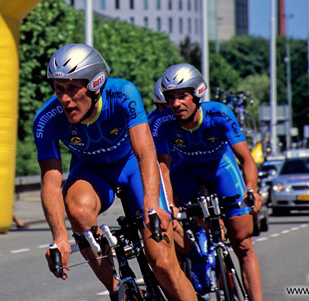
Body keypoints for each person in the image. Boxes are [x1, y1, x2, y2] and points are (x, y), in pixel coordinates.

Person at [34, 44, 196, 300]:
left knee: (164, 265)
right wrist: (59, 237)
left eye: (73, 88)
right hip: (92, 171)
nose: (64, 98)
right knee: (76, 208)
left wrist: (152, 205)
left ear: (96, 84)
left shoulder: (123, 94)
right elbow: (51, 182)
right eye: (58, 88)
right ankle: (118, 289)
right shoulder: (47, 118)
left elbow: (145, 153)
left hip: (131, 165)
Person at [150, 63, 263, 301]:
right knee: (172, 230)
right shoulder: (162, 122)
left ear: (198, 93)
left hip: (221, 168)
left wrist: (252, 190)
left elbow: (246, 159)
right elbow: (162, 167)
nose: (176, 104)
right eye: (170, 98)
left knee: (243, 245)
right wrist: (169, 204)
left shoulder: (219, 113)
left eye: (182, 96)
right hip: (186, 171)